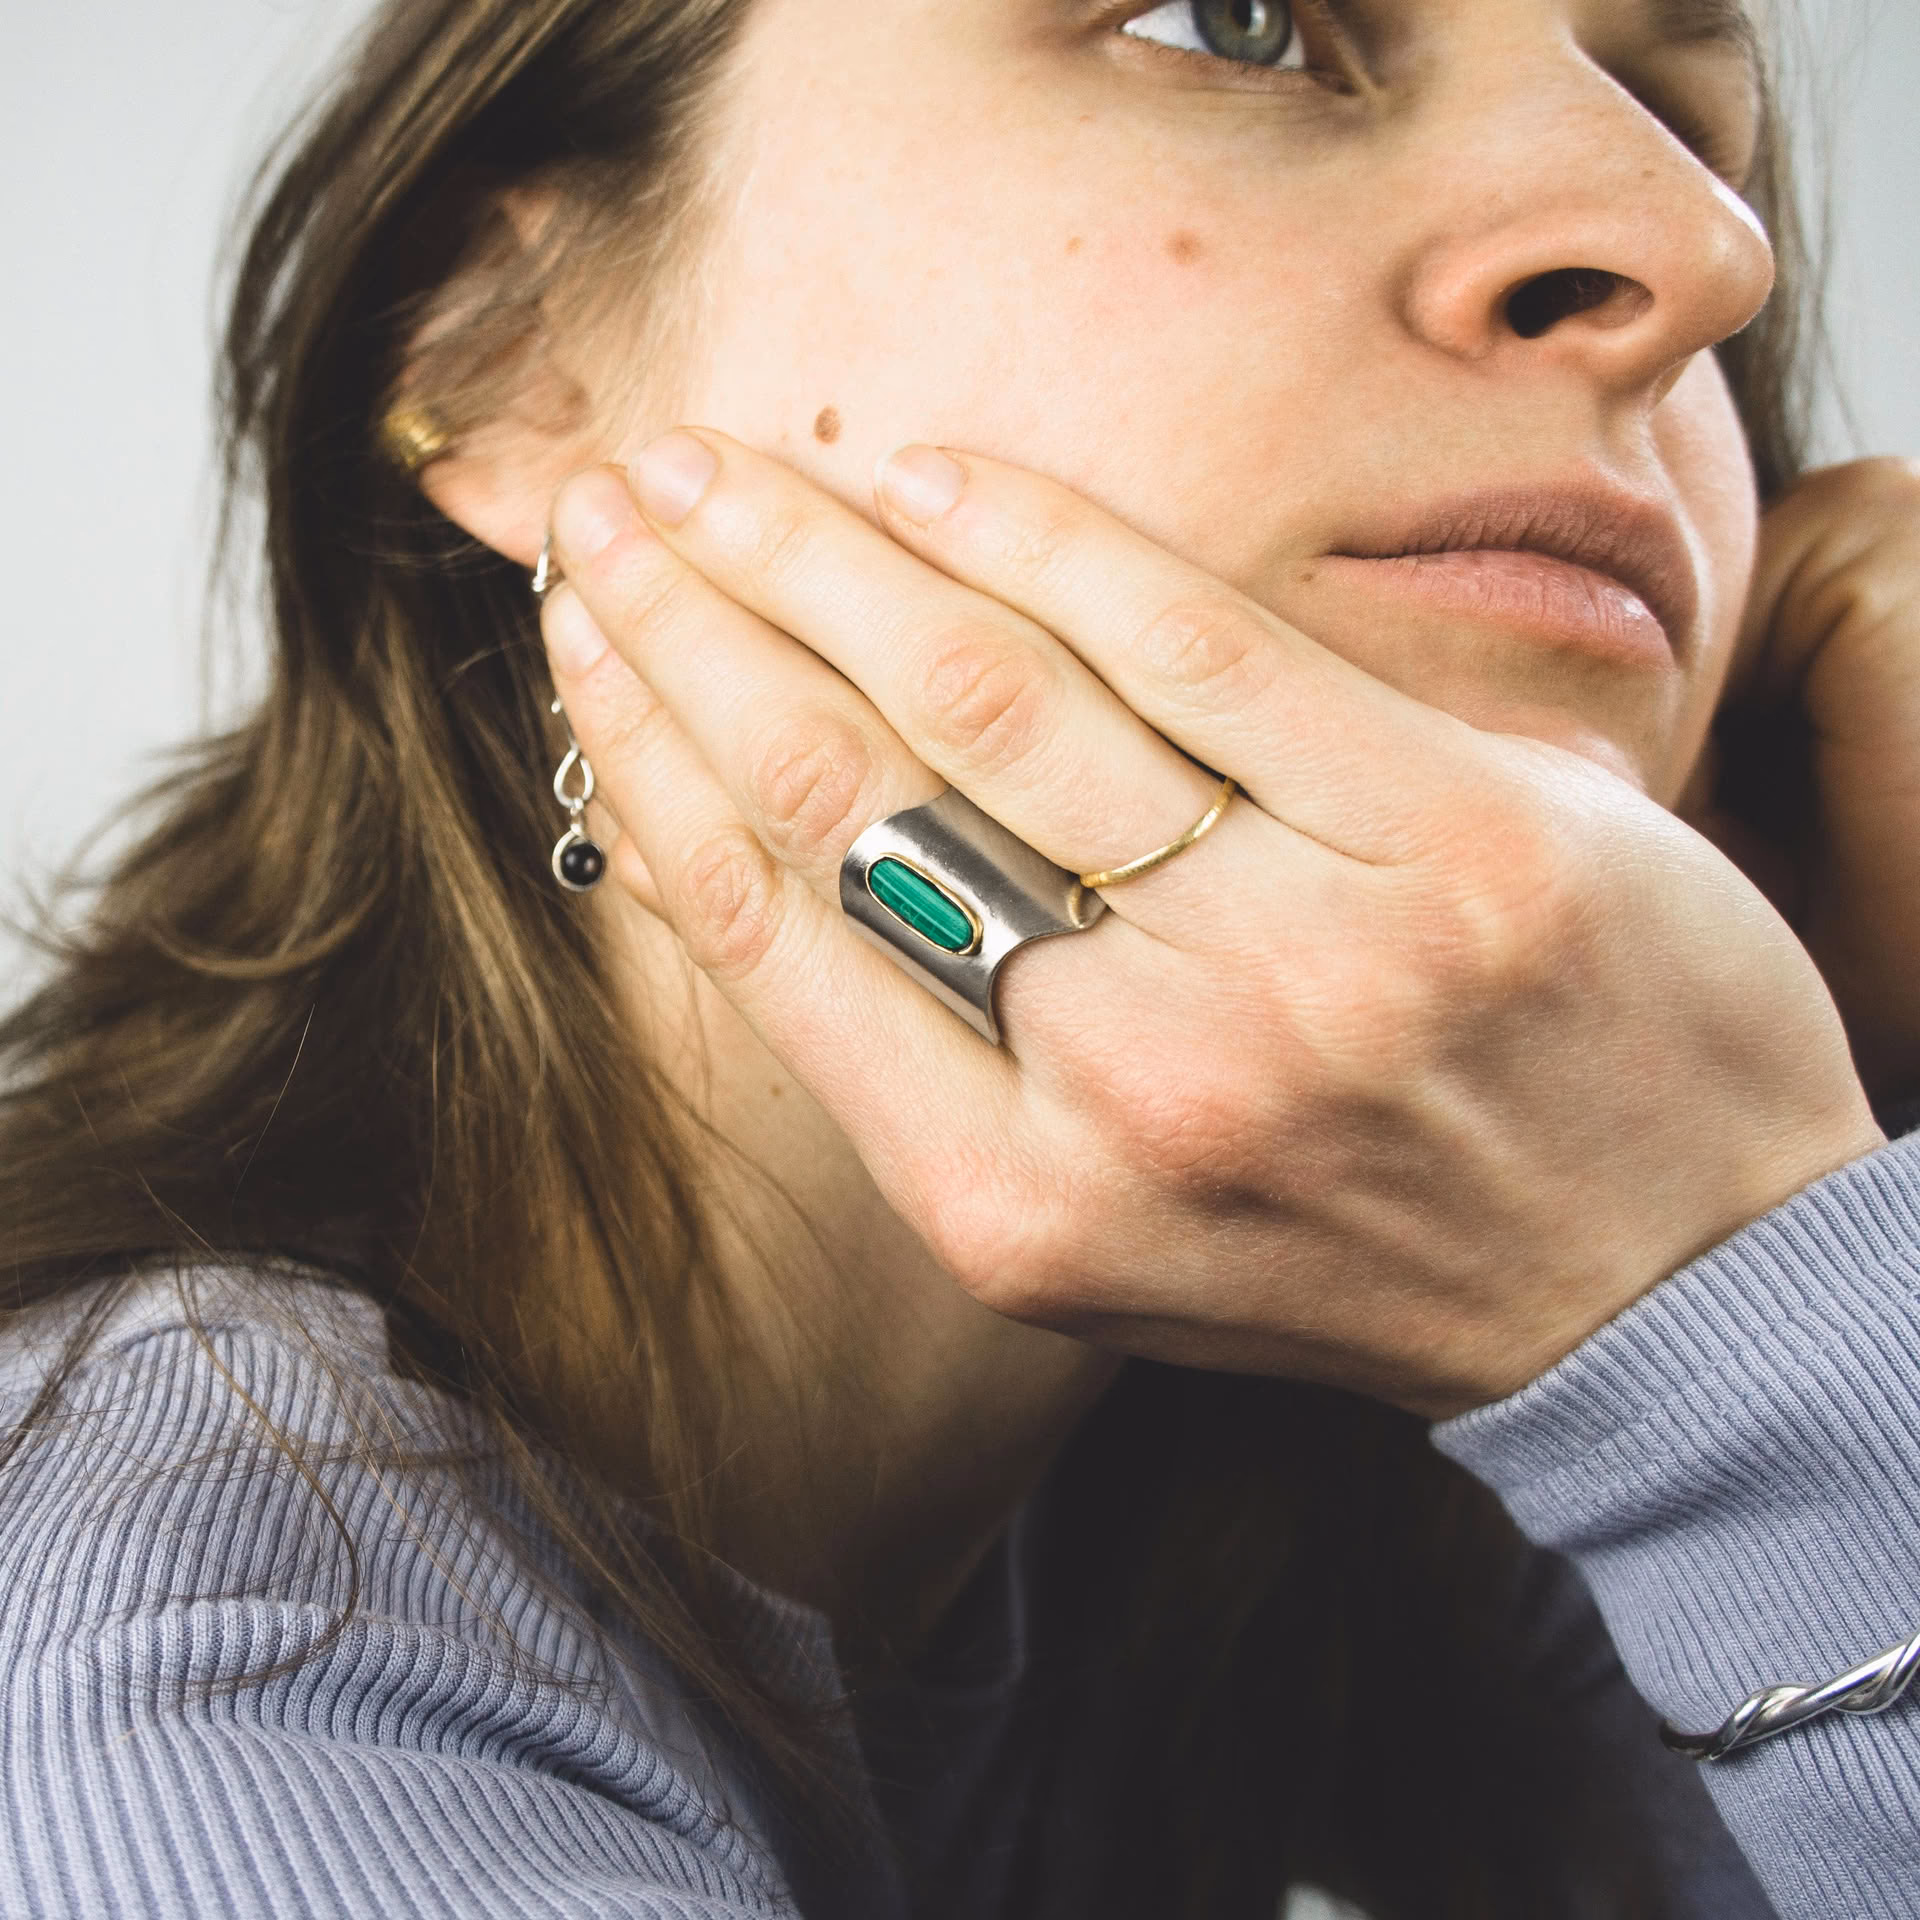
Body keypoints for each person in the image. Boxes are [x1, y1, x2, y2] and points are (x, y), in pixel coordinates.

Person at [2, 0, 1917, 1913]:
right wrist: (1744, 1340)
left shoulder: (1320, 1466)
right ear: (515, 349)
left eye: (1686, 121)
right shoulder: (183, 1686)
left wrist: (1832, 1154)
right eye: (1239, 24)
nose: (1697, 246)